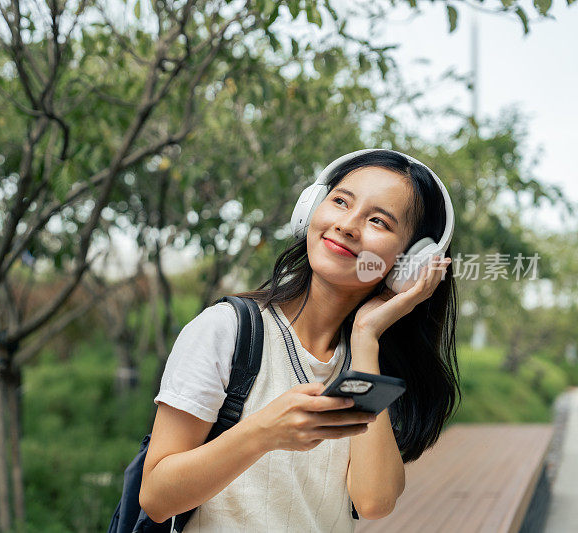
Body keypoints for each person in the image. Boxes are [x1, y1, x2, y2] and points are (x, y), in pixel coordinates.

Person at [139, 149, 460, 532]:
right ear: (310, 208)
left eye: (378, 221)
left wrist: (366, 337)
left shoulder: (364, 361)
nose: (347, 225)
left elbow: (374, 500)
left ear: (410, 263)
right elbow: (156, 497)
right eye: (340, 201)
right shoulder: (226, 330)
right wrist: (263, 433)